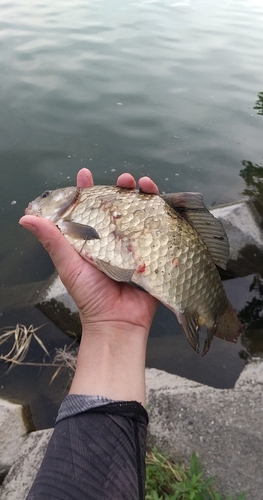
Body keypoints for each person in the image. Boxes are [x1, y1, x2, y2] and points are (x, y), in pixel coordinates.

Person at [19, 168, 160, 500]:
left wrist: (112, 326)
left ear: (64, 198)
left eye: (45, 196)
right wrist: (113, 325)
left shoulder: (72, 210)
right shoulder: (73, 213)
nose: (40, 201)